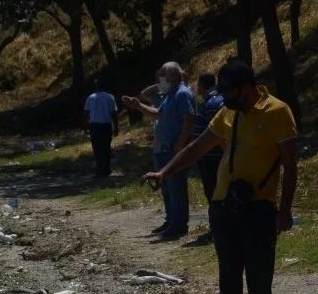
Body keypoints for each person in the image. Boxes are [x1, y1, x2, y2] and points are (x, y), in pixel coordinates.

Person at [143, 59, 297, 294]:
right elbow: (196, 149)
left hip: (259, 209)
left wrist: (284, 211)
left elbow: (291, 165)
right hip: (223, 206)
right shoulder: (228, 112)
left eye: (230, 92)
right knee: (228, 277)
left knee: (258, 276)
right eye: (222, 92)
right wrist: (164, 172)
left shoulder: (278, 112)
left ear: (248, 87)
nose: (224, 98)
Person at [123, 62, 195, 240]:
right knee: (168, 187)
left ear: (173, 76)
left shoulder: (182, 93)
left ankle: (179, 226)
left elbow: (190, 119)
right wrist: (138, 106)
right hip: (166, 147)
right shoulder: (171, 94)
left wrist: (180, 143)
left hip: (175, 148)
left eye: (164, 75)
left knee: (177, 187)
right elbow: (158, 114)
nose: (161, 79)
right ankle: (172, 222)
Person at [191, 72, 224, 242]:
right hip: (213, 156)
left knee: (214, 197)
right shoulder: (218, 99)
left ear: (202, 85)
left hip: (212, 158)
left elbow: (218, 130)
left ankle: (217, 230)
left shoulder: (213, 102)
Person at [84, 79, 119, 178]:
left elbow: (86, 113)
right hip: (107, 125)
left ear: (96, 86)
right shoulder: (110, 97)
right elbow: (114, 113)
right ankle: (107, 169)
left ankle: (100, 169)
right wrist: (116, 127)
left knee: (97, 148)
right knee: (106, 147)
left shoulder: (91, 97)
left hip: (95, 126)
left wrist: (86, 127)